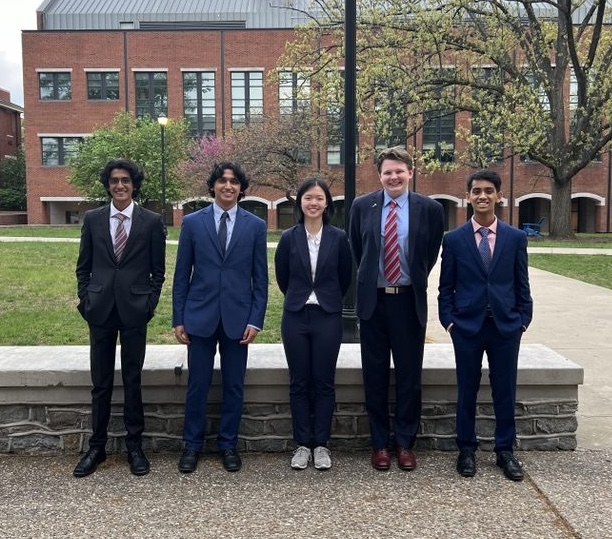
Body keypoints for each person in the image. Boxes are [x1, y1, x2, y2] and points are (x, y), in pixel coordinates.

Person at [349, 146, 444, 471]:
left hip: (407, 302)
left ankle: (404, 443)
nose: (394, 177)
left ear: (410, 173)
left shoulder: (429, 209)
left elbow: (429, 254)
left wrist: (411, 280)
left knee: (409, 378)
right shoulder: (362, 206)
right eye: (388, 172)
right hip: (374, 304)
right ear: (380, 176)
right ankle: (379, 444)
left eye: (399, 171)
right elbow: (358, 251)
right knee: (374, 377)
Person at [172, 161, 268, 473]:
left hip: (238, 320)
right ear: (213, 186)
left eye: (234, 182)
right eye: (223, 181)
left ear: (242, 188)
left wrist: (255, 319)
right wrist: (178, 318)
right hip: (199, 317)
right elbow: (180, 275)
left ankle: (228, 445)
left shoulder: (255, 226)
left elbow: (260, 279)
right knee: (197, 385)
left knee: (234, 386)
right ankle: (192, 445)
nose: (228, 186)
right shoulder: (193, 223)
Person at [438, 169, 533, 481]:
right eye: (476, 191)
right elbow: (445, 288)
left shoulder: (516, 238)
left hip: (506, 327)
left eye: (488, 191)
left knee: (504, 390)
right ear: (468, 197)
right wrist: (449, 321)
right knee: (467, 389)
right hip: (466, 327)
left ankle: (505, 450)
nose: (482, 196)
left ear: (498, 195)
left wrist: (522, 320)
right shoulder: (453, 240)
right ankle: (466, 448)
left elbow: (522, 284)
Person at [73, 158, 166, 477]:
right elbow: (83, 266)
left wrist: (149, 303)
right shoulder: (94, 219)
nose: (120, 185)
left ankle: (134, 447)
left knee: (132, 379)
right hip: (99, 310)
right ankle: (96, 447)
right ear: (108, 184)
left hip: (134, 311)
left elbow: (159, 271)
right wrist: (86, 299)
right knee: (99, 382)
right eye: (114, 180)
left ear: (134, 184)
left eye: (125, 180)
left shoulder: (152, 221)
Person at [274, 178, 353, 471]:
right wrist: (300, 297)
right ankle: (302, 445)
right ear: (300, 203)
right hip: (295, 316)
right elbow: (283, 276)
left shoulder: (338, 237)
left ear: (326, 203)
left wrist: (325, 298)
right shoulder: (288, 238)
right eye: (308, 198)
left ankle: (321, 444)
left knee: (323, 381)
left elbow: (345, 276)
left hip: (327, 316)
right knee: (298, 382)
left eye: (319, 198)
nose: (313, 203)